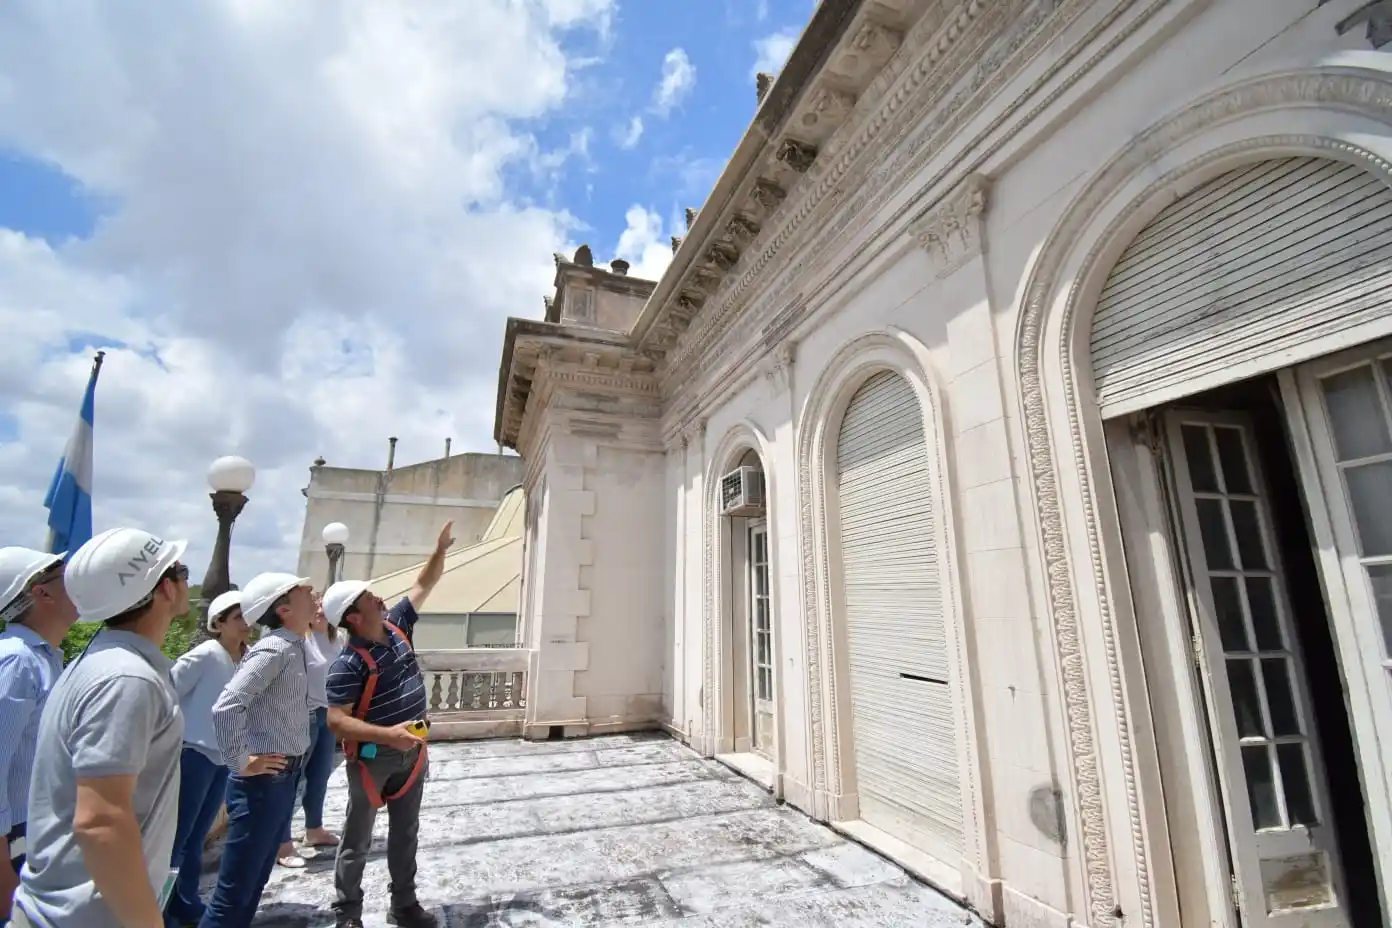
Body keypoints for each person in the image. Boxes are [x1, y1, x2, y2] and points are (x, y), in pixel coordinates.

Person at [12, 528, 189, 928]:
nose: (186, 581)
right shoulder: (128, 678)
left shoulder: (104, 664)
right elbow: (100, 821)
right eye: (181, 571)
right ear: (164, 589)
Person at [322, 521, 453, 928]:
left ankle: (404, 905)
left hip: (411, 756)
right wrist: (387, 736)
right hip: (373, 759)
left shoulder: (398, 626)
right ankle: (348, 914)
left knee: (405, 833)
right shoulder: (346, 665)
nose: (379, 598)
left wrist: (440, 551)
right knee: (357, 839)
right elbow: (336, 720)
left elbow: (422, 583)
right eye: (368, 598)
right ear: (354, 618)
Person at [199, 573, 316, 928]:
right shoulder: (274, 649)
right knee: (235, 892)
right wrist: (242, 760)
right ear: (284, 610)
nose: (313, 594)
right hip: (263, 784)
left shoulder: (292, 645)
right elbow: (227, 705)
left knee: (254, 882)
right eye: (303, 592)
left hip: (282, 777)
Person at [0, 549, 78, 925]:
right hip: (15, 841)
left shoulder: (47, 658)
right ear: (40, 593)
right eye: (65, 576)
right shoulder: (17, 661)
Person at [164, 591, 249, 928]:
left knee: (198, 833)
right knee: (179, 836)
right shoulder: (204, 655)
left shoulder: (245, 660)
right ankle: (165, 908)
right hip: (194, 753)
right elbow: (167, 693)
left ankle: (185, 901)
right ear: (219, 623)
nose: (246, 624)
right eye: (238, 618)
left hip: (221, 755)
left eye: (248, 617)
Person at [274, 595, 341, 868]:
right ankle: (282, 843)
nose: (320, 611)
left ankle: (314, 829)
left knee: (320, 775)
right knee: (292, 778)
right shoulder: (300, 639)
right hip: (304, 714)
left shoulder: (338, 640)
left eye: (325, 607)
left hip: (330, 713)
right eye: (316, 606)